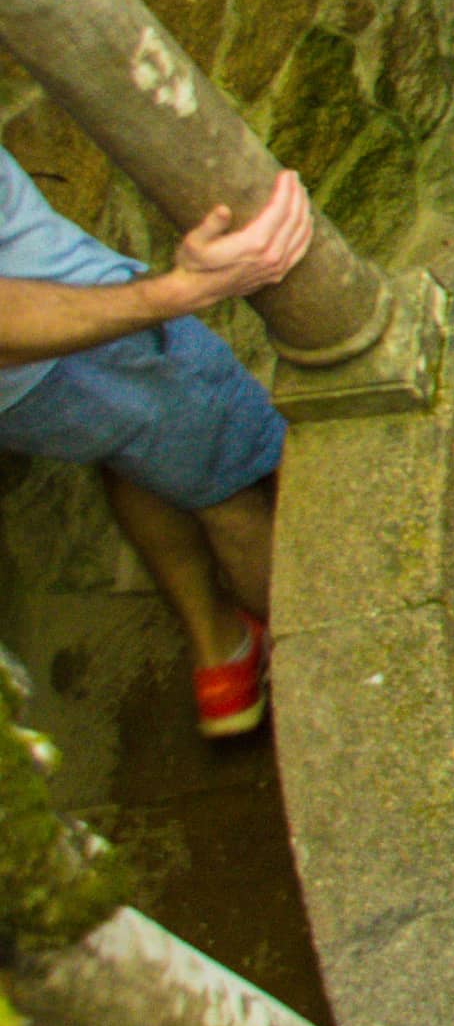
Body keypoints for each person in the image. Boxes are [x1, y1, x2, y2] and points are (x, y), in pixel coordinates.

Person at [0, 152, 309, 738]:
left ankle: (222, 660)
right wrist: (173, 295)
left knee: (138, 457)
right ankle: (330, 656)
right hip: (83, 344)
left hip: (22, 396)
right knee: (236, 495)